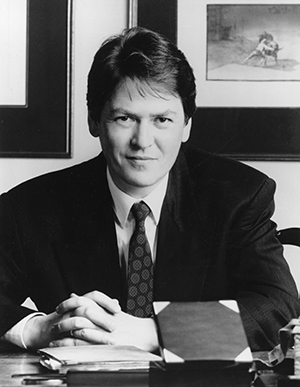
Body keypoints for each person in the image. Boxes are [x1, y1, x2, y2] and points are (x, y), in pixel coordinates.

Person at [0, 27, 299, 353]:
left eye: (162, 120)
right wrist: (34, 328)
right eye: (125, 118)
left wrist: (155, 333)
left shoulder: (239, 195)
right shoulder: (29, 207)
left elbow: (276, 306)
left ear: (186, 125)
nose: (143, 142)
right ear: (94, 121)